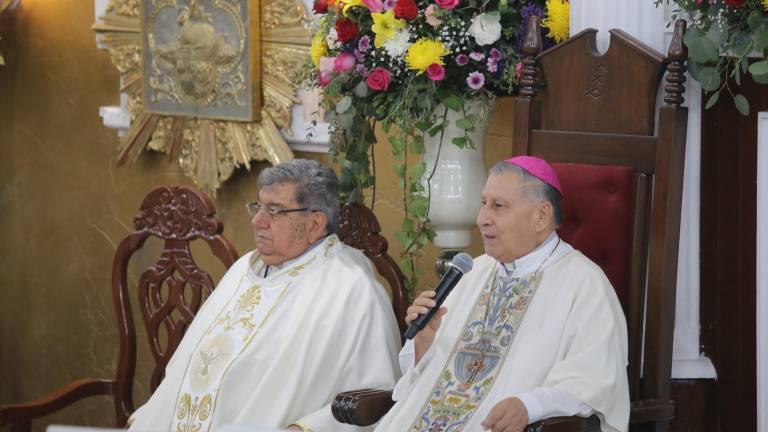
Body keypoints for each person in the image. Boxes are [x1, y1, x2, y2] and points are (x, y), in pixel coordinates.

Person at [129, 159, 401, 432]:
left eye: (274, 211)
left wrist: (305, 428)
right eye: (258, 207)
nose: (257, 221)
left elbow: (375, 398)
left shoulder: (351, 289)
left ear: (315, 224)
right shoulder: (244, 269)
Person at [374, 156, 629, 432]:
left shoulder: (585, 285)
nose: (482, 219)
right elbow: (423, 381)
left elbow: (593, 380)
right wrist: (424, 341)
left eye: (498, 206)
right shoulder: (472, 272)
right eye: (484, 203)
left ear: (541, 216)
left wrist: (529, 406)